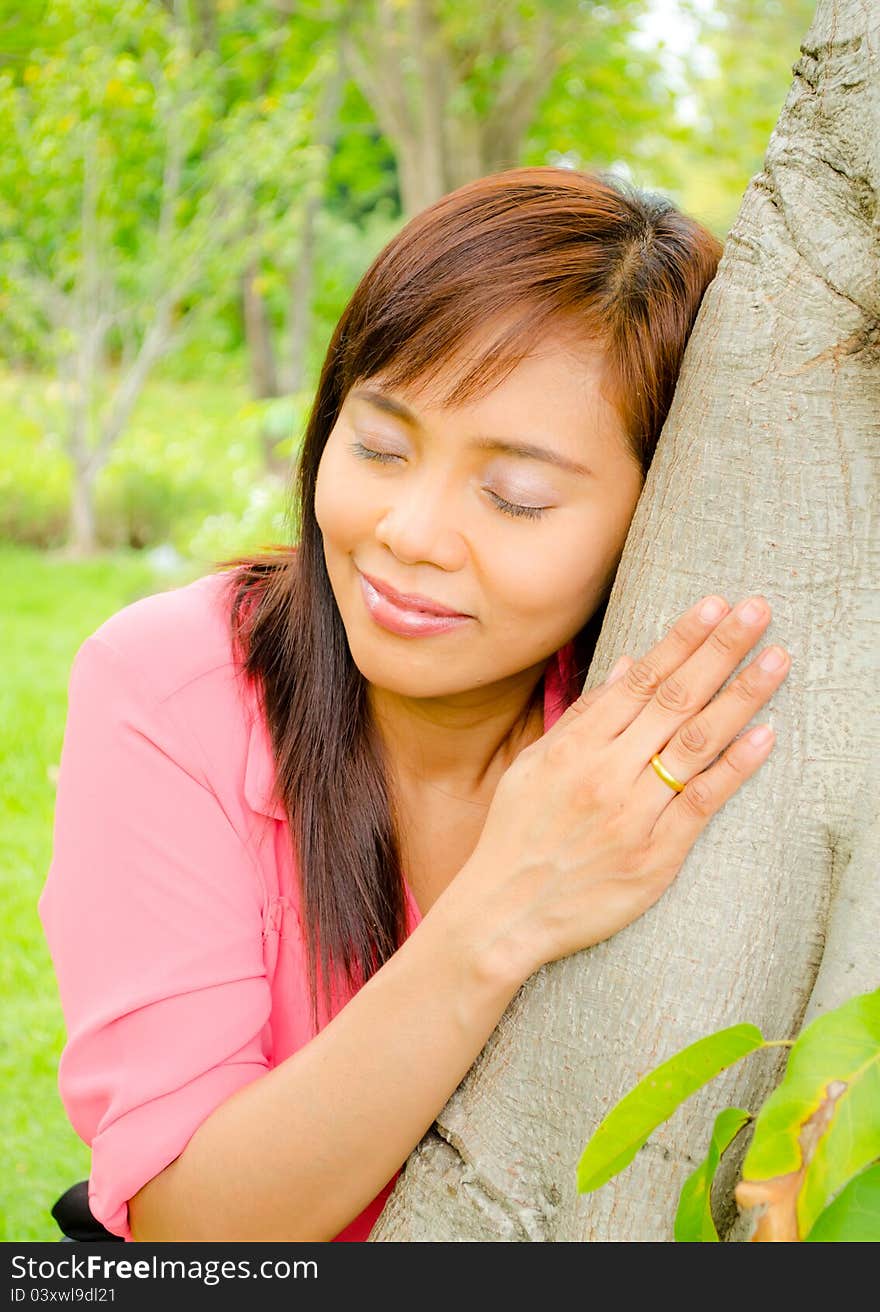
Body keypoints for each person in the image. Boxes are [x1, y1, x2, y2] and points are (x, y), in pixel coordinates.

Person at [38, 166, 792, 1242]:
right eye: (380, 446)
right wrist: (503, 908)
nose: (409, 532)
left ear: (655, 515)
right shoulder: (174, 685)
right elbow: (187, 1225)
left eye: (515, 496)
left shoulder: (671, 730)